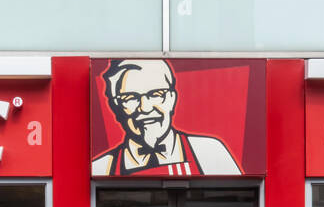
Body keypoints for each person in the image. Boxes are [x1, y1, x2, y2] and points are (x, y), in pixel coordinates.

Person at [92, 59, 242, 177]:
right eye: (131, 97)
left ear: (172, 99)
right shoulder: (102, 167)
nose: (145, 107)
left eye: (156, 95)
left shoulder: (208, 152)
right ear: (116, 106)